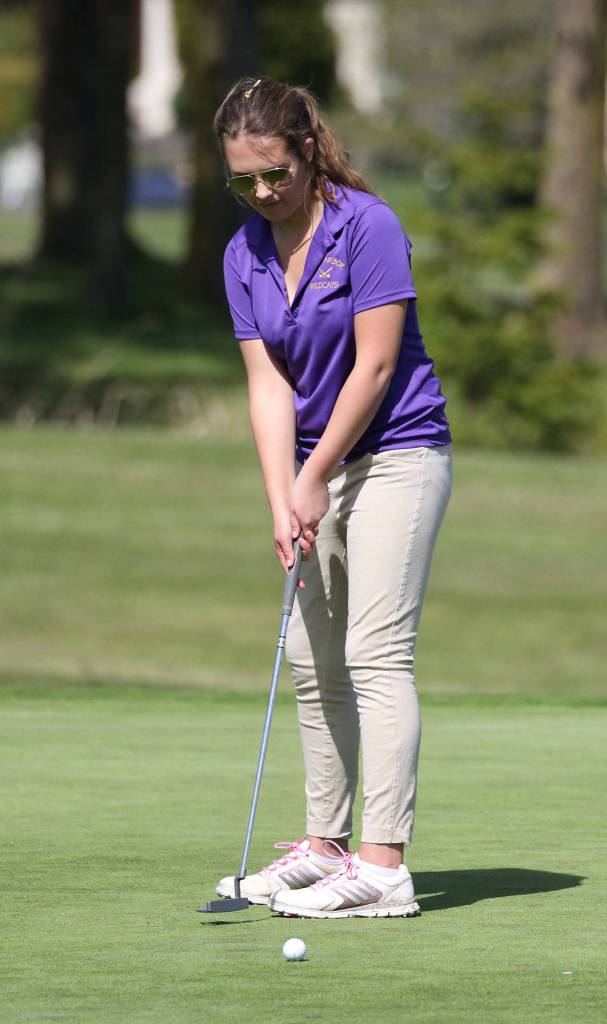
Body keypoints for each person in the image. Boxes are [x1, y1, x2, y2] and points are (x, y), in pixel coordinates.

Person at [213, 77, 452, 919]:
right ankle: (325, 849)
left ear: (309, 152)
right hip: (312, 467)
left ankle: (383, 868)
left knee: (374, 654)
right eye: (242, 180)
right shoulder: (243, 253)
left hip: (395, 454)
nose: (262, 192)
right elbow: (267, 385)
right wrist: (282, 496)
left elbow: (375, 365)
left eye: (274, 173)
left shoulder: (367, 226)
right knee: (311, 663)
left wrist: (314, 476)